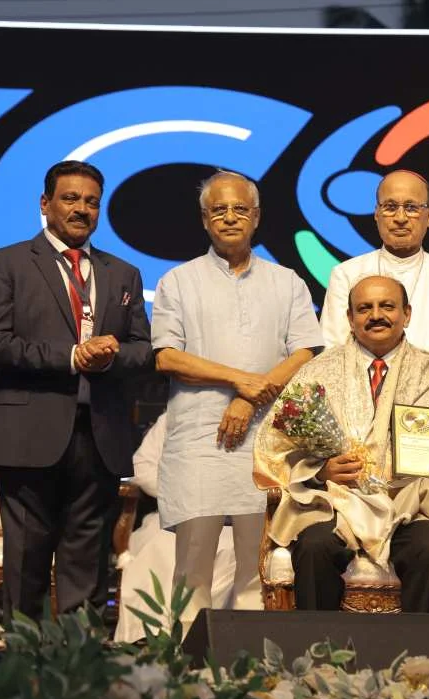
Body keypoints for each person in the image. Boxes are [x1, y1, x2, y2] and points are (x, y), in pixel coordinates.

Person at [0, 160, 153, 620]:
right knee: (26, 567)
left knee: (87, 568)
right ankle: (24, 665)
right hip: (28, 434)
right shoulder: (9, 263)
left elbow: (143, 351)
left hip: (100, 437)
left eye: (91, 202)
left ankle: (80, 662)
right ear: (45, 203)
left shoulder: (123, 273)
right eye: (70, 198)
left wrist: (110, 356)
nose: (82, 209)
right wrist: (71, 356)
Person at [254, 275, 429, 613]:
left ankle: (419, 649)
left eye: (387, 306)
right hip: (335, 503)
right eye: (365, 308)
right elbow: (276, 446)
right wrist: (320, 472)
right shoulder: (317, 372)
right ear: (350, 318)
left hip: (412, 506)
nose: (376, 315)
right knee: (314, 546)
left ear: (407, 314)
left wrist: (417, 480)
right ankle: (317, 647)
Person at [152, 170, 323, 626]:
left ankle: (254, 666)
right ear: (204, 219)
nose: (230, 217)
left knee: (259, 565)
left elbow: (306, 352)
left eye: (240, 209)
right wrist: (241, 381)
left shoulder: (287, 281)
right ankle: (187, 663)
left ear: (257, 217)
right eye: (219, 210)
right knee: (193, 567)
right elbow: (167, 356)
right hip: (200, 440)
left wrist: (250, 398)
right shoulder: (178, 281)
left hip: (266, 439)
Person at [318, 170, 429, 396]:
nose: (400, 218)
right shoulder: (346, 273)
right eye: (390, 207)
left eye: (411, 207)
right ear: (376, 214)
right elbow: (332, 348)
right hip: (359, 398)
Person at [115, 415, 236, 642]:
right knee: (160, 549)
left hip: (235, 522)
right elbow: (142, 465)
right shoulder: (177, 414)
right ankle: (151, 639)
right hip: (175, 517)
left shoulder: (260, 416)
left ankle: (212, 639)